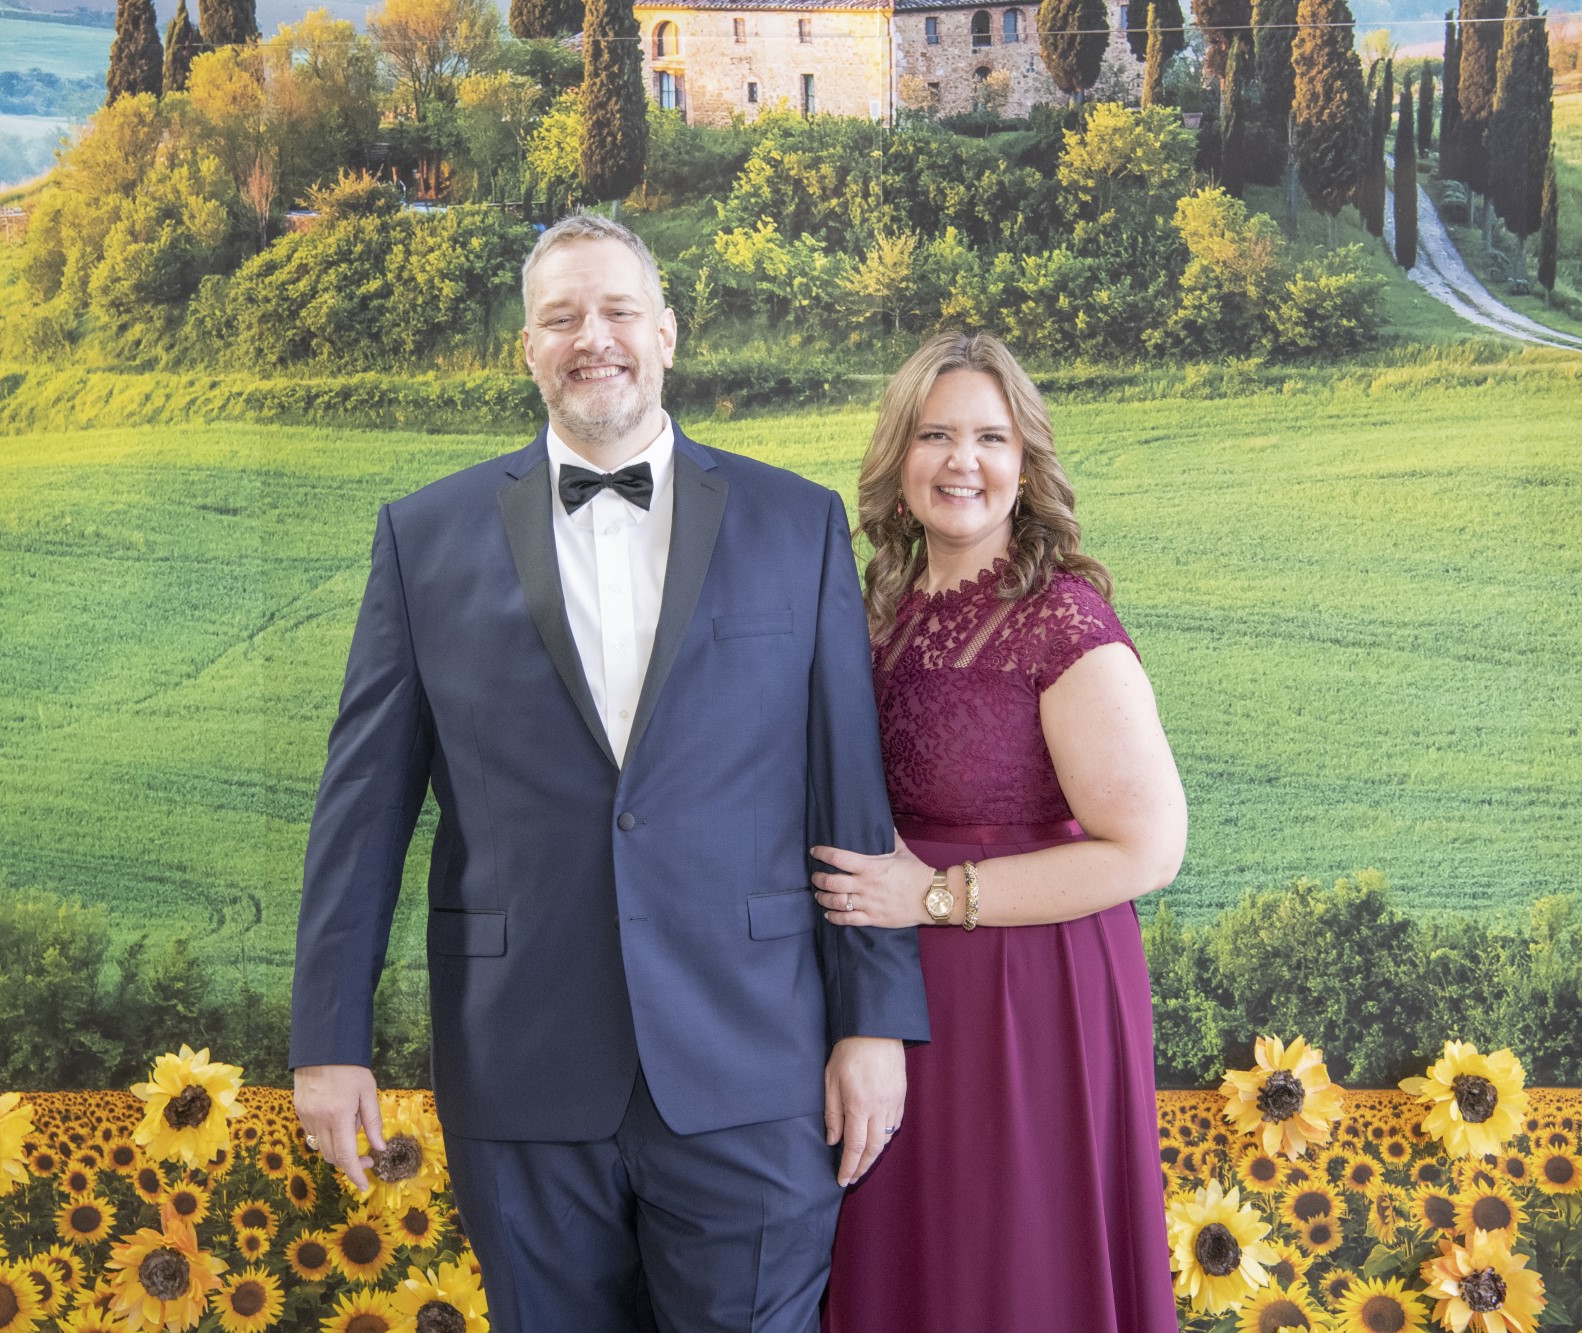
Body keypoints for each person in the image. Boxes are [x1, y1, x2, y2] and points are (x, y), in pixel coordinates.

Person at [286, 212, 930, 1333]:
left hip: (754, 1063)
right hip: (520, 1063)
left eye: (619, 310)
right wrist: (328, 1042)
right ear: (527, 348)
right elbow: (363, 810)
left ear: (666, 332)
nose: (594, 337)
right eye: (562, 317)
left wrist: (873, 1019)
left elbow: (848, 791)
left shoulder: (798, 522)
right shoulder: (422, 537)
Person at [814, 330, 1188, 1333]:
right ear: (898, 457)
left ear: (1026, 462)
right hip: (897, 991)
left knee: (1011, 1269)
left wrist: (935, 895)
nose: (961, 461)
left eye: (990, 437)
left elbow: (1150, 849)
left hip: (1030, 999)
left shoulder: (1063, 622)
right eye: (934, 434)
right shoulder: (878, 610)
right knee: (913, 1265)